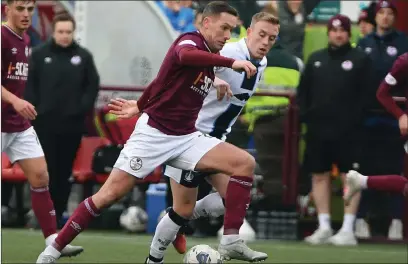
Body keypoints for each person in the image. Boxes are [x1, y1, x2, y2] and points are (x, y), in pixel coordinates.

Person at [35, 2, 260, 263]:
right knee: (107, 196)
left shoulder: (208, 61)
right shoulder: (189, 41)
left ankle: (230, 240)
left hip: (186, 138)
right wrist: (231, 62)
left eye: (232, 31)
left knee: (245, 163)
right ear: (206, 23)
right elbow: (184, 57)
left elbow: (160, 81)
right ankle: (51, 252)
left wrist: (139, 105)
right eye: (224, 28)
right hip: (153, 136)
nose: (227, 36)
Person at [165, 11, 279, 255]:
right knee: (117, 190)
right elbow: (186, 65)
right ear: (248, 32)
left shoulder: (263, 62)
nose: (265, 42)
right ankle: (173, 226)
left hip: (216, 139)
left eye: (272, 38)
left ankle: (179, 221)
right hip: (191, 136)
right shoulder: (229, 53)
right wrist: (213, 78)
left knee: (237, 197)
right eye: (261, 35)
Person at [1, 0, 82, 257]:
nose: (26, 15)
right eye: (20, 9)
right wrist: (15, 100)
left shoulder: (25, 40)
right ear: (7, 9)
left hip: (18, 124)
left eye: (30, 9)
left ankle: (53, 242)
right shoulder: (1, 36)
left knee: (40, 177)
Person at [297, 14, 372, 246]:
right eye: (334, 30)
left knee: (351, 178)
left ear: (349, 33)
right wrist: (307, 117)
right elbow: (303, 93)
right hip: (319, 131)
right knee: (319, 176)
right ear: (329, 32)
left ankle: (348, 229)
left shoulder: (360, 59)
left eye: (343, 30)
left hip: (350, 132)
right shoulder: (315, 59)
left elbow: (367, 94)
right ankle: (324, 226)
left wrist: (355, 119)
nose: (338, 34)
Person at [24, 14, 100, 227]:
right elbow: (30, 85)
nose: (65, 36)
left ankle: (58, 216)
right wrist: (36, 109)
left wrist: (81, 109)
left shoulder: (83, 57)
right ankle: (41, 216)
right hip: (43, 126)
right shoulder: (39, 55)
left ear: (73, 33)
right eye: (61, 32)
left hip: (71, 126)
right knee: (43, 172)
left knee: (64, 173)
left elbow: (92, 86)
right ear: (54, 32)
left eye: (68, 32)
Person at [356, 0, 408, 240]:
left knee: (396, 167)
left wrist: (401, 114)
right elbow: (365, 85)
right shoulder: (364, 44)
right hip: (368, 116)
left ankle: (396, 222)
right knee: (365, 168)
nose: (385, 18)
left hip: (397, 118)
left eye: (390, 14)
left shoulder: (403, 42)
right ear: (374, 17)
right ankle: (360, 220)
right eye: (381, 13)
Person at [344, 52, 408, 204]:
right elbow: (382, 93)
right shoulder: (405, 61)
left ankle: (361, 181)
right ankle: (361, 181)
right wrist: (401, 115)